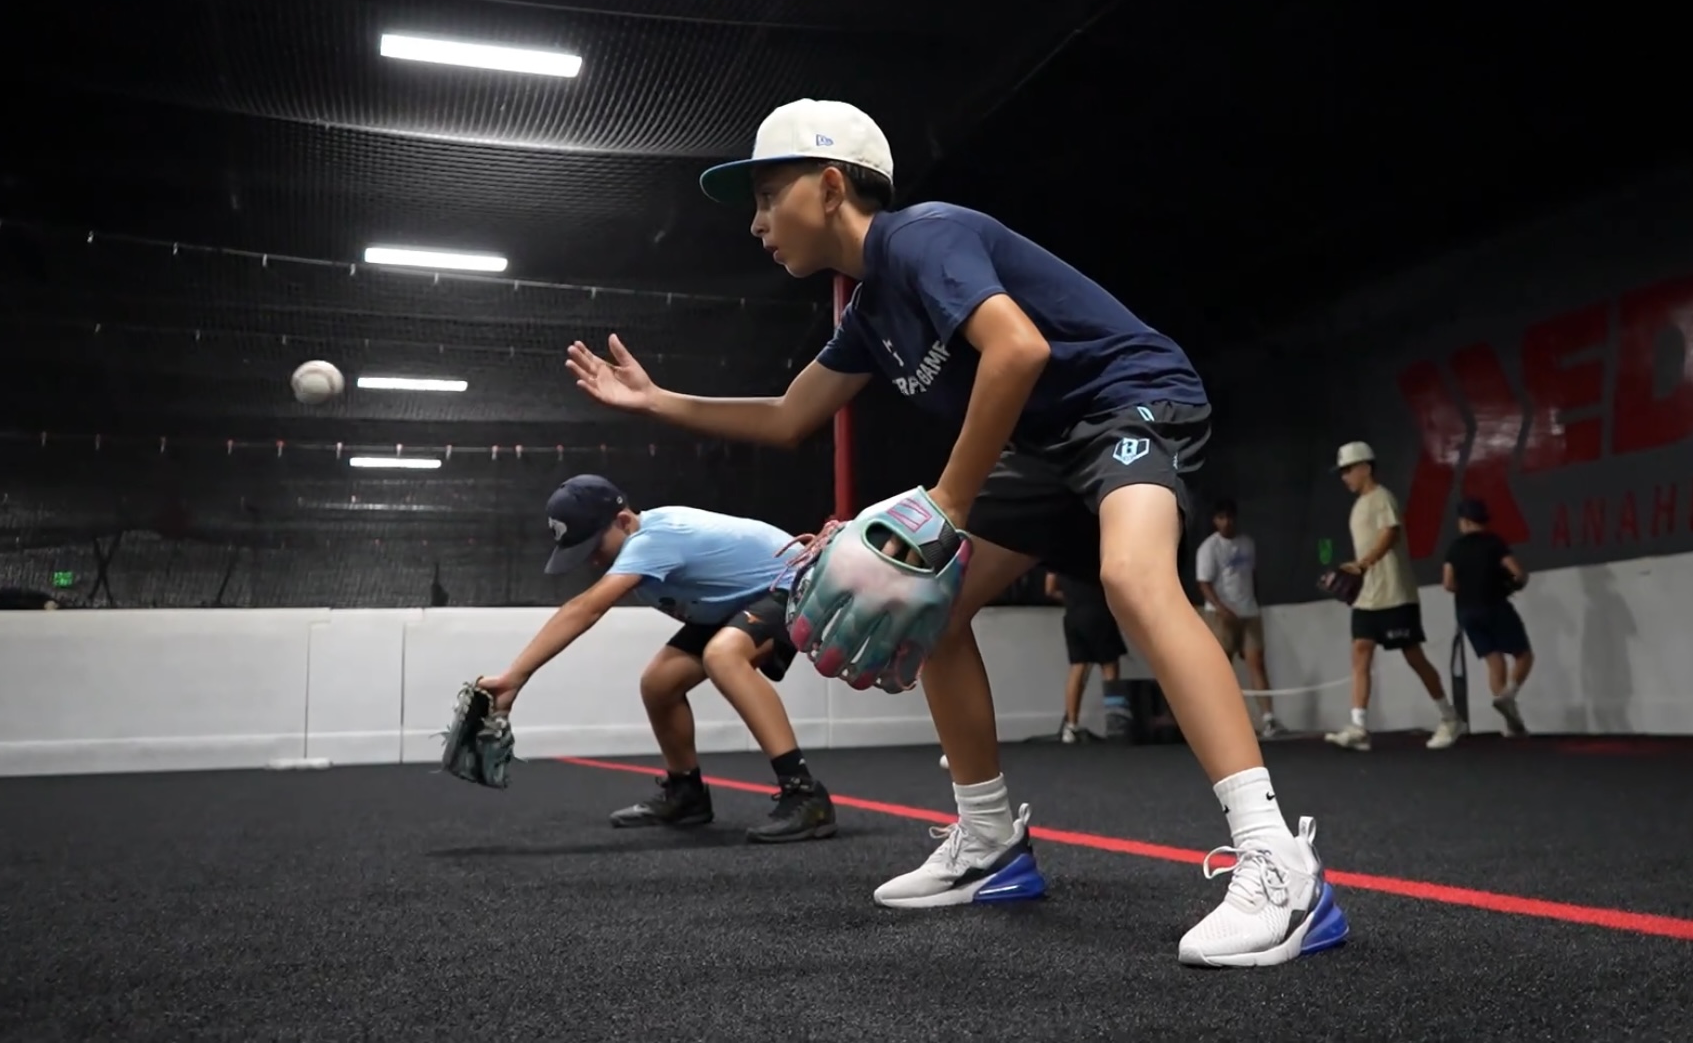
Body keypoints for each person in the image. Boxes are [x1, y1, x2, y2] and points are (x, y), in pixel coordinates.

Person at [565, 98, 1346, 968]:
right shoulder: (868, 313)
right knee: (933, 604)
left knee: (1133, 577)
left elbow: (1018, 352)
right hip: (1045, 443)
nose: (754, 223)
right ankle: (990, 845)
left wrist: (949, 503)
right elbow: (791, 418)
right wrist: (656, 400)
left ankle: (1280, 861)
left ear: (829, 187)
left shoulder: (920, 238)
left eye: (766, 195)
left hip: (1131, 398)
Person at [473, 473, 838, 844]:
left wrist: (513, 677)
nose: (595, 561)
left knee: (723, 656)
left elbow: (584, 609)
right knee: (659, 683)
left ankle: (805, 795)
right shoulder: (639, 542)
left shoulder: (653, 539)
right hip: (737, 600)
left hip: (794, 584)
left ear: (624, 522)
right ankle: (686, 794)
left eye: (595, 548)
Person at [1323, 441, 1467, 752]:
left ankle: (1450, 718)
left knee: (1413, 655)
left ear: (1366, 467)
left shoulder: (1382, 497)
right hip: (1367, 597)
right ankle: (1359, 726)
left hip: (1394, 594)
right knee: (1360, 651)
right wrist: (1355, 567)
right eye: (1342, 471)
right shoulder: (1358, 505)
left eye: (1348, 470)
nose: (1345, 476)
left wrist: (1363, 564)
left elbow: (1391, 534)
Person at [1442, 497, 1533, 736]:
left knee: (1494, 662)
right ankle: (1508, 697)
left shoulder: (1455, 548)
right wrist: (1516, 583)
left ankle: (1510, 724)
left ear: (1464, 521)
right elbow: (1518, 573)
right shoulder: (1494, 543)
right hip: (1494, 606)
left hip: (1467, 612)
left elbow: (1448, 584)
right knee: (1524, 655)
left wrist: (1468, 587)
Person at [1194, 499, 1284, 739]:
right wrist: (1221, 608)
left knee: (1257, 663)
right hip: (1221, 615)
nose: (1227, 522)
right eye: (1221, 518)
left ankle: (1269, 720)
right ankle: (1218, 722)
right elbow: (1203, 583)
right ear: (1215, 521)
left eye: (1230, 517)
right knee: (1221, 668)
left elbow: (1251, 576)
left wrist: (1254, 602)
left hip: (1249, 612)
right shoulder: (1209, 548)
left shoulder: (1247, 544)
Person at [1046, 569, 1131, 742]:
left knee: (1078, 666)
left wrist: (1073, 600)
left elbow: (1050, 589)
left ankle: (1071, 727)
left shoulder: (1057, 556)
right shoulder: (1093, 555)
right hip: (1098, 612)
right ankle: (1115, 725)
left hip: (1072, 615)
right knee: (1109, 665)